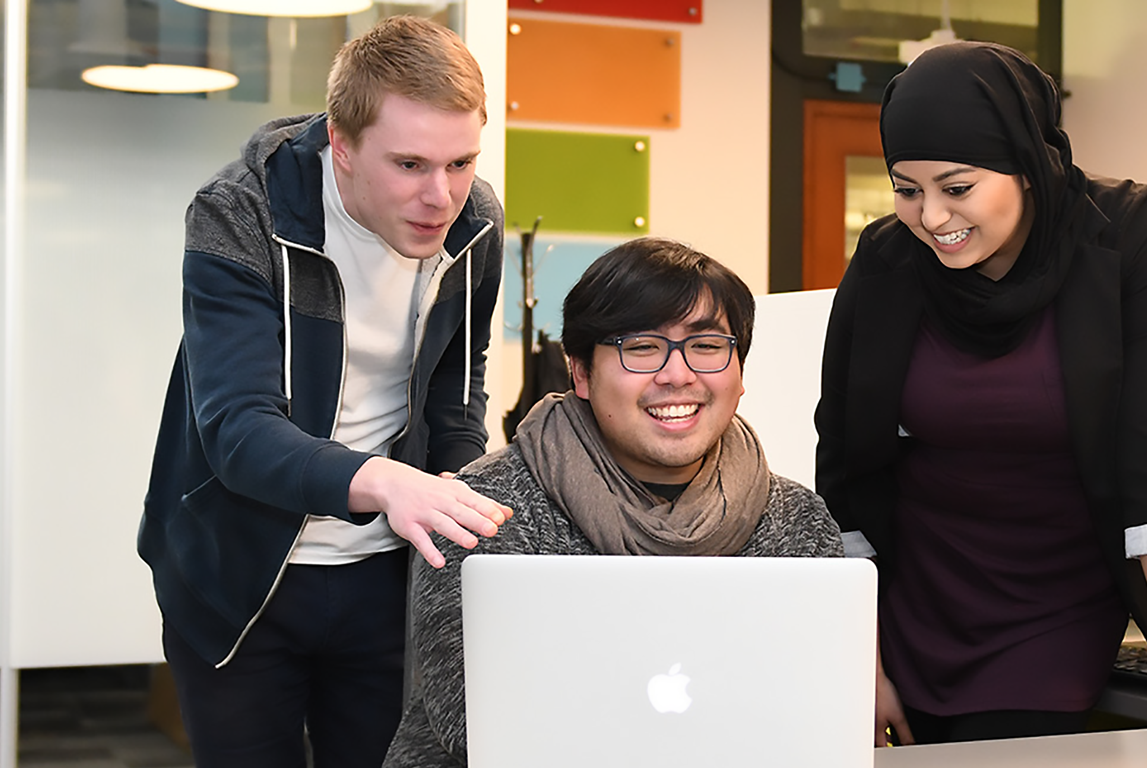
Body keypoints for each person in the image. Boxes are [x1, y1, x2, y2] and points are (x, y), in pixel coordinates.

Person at [813, 42, 1147, 749]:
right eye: (907, 190)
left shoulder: (1127, 237)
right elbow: (846, 470)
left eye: (957, 188)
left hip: (1057, 605)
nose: (931, 217)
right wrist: (860, 663)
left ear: (1026, 163)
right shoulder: (887, 260)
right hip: (912, 602)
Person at [137, 16, 512, 768]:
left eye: (461, 162)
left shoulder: (475, 221)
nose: (440, 195)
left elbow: (456, 381)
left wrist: (451, 480)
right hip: (239, 575)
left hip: (389, 570)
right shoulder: (240, 212)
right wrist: (388, 483)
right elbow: (238, 429)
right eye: (409, 164)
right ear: (341, 144)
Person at [382, 237, 844, 767]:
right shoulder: (479, 510)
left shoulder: (795, 519)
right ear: (580, 371)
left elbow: (813, 711)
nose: (678, 375)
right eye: (641, 347)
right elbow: (471, 723)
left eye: (706, 345)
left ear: (740, 371)